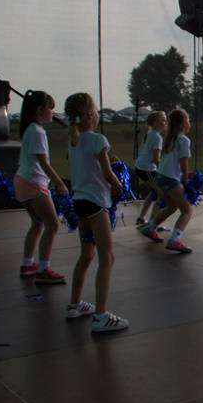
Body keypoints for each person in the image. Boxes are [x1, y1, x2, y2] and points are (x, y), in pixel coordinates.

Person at [63, 93, 129, 333]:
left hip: (80, 203)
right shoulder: (98, 139)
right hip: (96, 204)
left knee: (87, 254)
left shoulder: (74, 141)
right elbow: (107, 171)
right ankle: (101, 316)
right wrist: (119, 185)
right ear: (90, 115)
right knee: (107, 257)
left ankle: (75, 304)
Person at [15, 90, 68, 283]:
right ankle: (44, 270)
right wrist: (60, 183)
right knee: (52, 224)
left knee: (37, 224)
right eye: (50, 108)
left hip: (23, 181)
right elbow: (43, 163)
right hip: (34, 183)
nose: (52, 112)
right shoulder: (37, 132)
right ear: (40, 109)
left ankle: (27, 264)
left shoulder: (30, 129)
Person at [138, 109, 194, 253]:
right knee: (187, 211)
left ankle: (150, 227)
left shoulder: (170, 139)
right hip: (170, 180)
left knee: (171, 207)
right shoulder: (184, 140)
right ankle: (175, 240)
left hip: (161, 177)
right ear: (182, 124)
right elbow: (183, 164)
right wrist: (186, 179)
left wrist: (184, 174)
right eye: (188, 120)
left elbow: (171, 162)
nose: (189, 123)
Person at [134, 111, 166, 228]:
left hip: (143, 167)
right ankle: (152, 225)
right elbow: (156, 159)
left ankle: (142, 218)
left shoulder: (150, 133)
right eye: (162, 120)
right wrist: (166, 169)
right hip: (146, 168)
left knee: (154, 192)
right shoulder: (157, 137)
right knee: (161, 194)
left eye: (165, 120)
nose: (165, 122)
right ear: (155, 123)